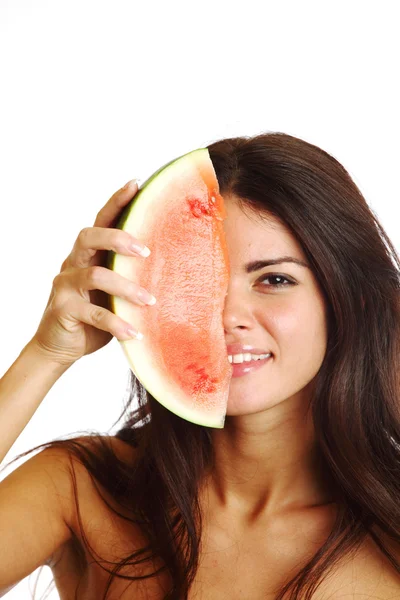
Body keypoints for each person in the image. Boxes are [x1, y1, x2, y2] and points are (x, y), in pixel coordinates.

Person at [0, 132, 400, 600]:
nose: (227, 316)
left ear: (349, 300)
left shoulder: (390, 539)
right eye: (194, 280)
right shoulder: (80, 489)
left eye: (274, 279)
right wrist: (46, 355)